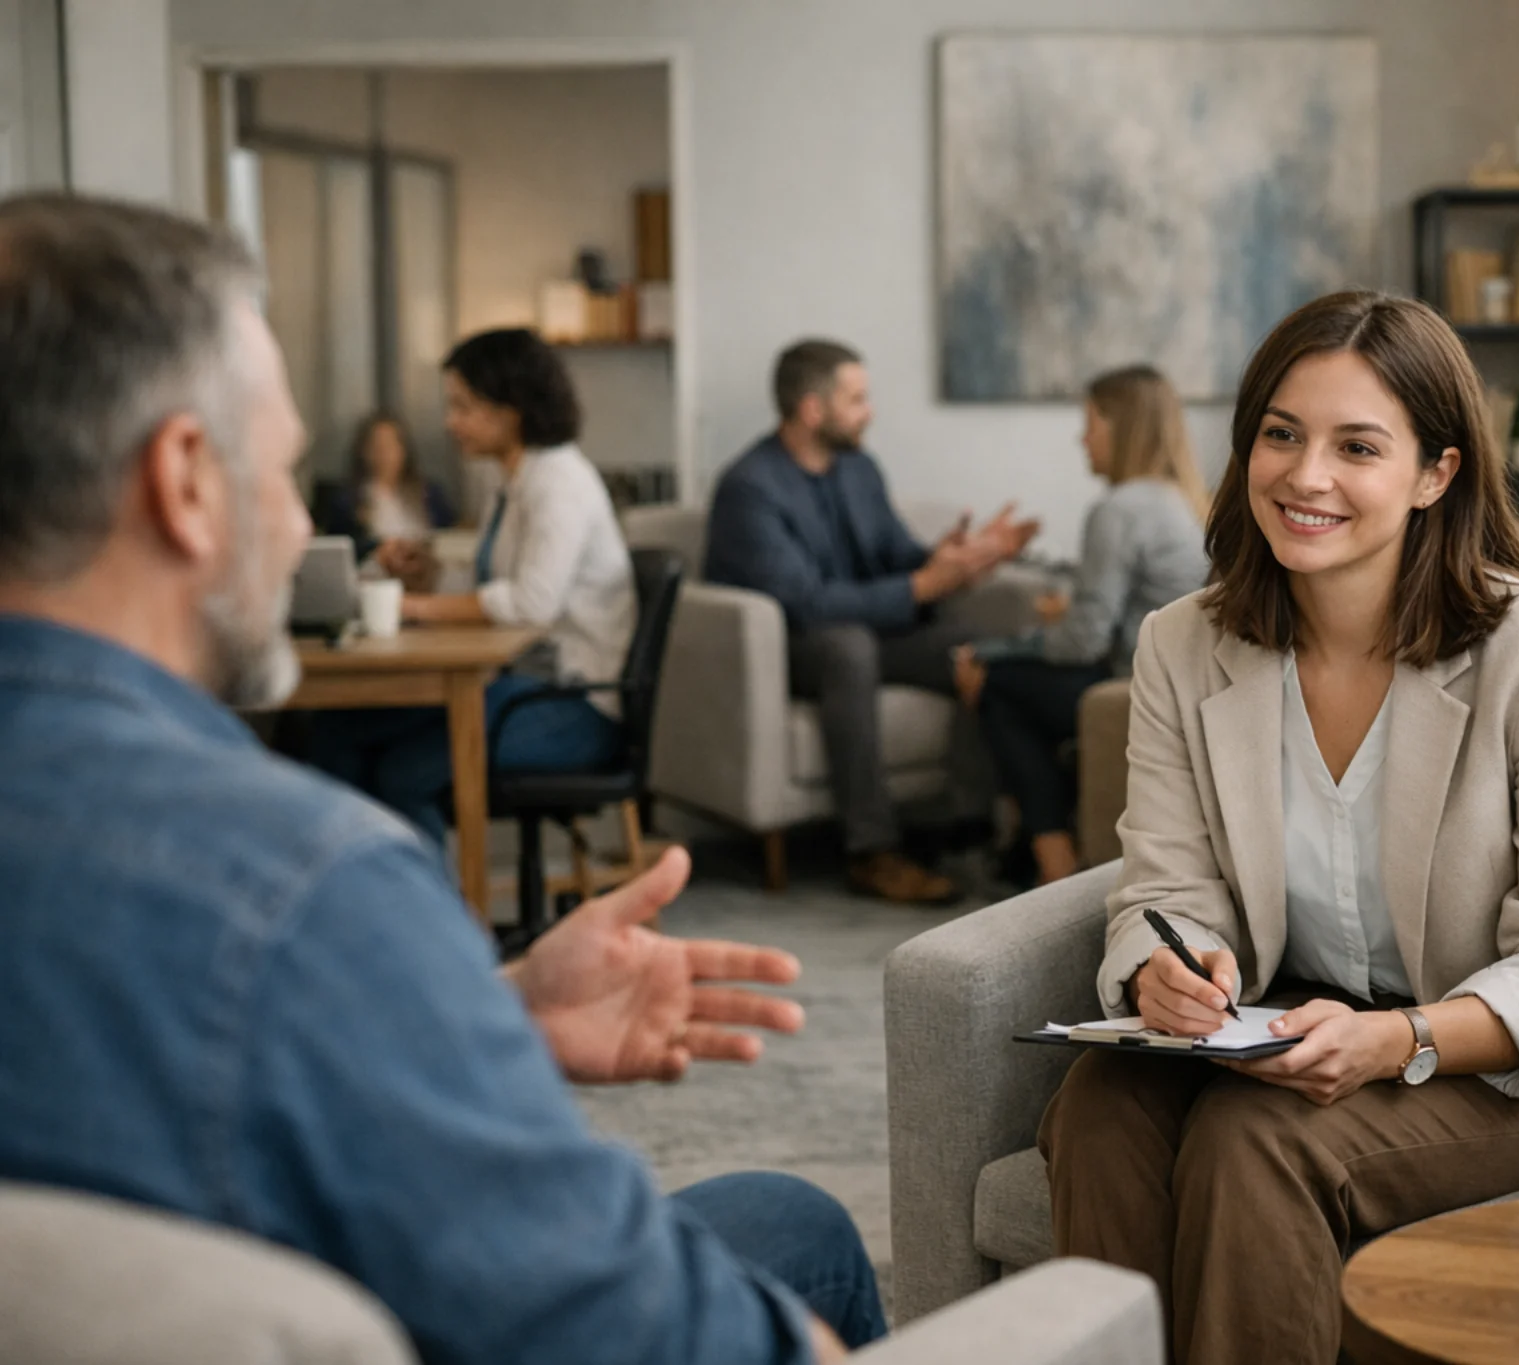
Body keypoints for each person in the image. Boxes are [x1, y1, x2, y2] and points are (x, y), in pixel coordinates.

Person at [0, 194, 880, 1365]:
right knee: (809, 1241)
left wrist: (468, 1013)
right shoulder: (304, 887)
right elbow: (676, 1338)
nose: (292, 521)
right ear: (185, 481)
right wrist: (381, 962)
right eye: (284, 469)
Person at [1035, 291, 1519, 1365]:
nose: (1305, 475)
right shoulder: (1180, 647)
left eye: (1358, 447)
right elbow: (1164, 886)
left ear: (1435, 473)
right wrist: (1170, 967)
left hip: (1500, 1063)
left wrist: (1399, 1039)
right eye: (1281, 434)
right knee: (1099, 1106)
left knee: (1255, 1139)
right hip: (1289, 1018)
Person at [702, 339, 1038, 904]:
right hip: (788, 649)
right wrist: (922, 585)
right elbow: (805, 604)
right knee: (847, 647)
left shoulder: (859, 468)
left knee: (979, 648)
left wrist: (952, 560)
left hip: (868, 635)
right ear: (813, 409)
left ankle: (975, 829)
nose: (870, 411)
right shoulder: (749, 488)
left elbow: (895, 556)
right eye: (857, 399)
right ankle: (871, 851)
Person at [306, 328, 637, 847]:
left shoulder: (559, 484)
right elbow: (490, 583)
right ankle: (360, 882)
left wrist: (414, 608)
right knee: (337, 732)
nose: (450, 422)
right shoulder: (511, 481)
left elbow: (532, 602)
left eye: (463, 406)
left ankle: (426, 898)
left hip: (574, 703)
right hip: (519, 684)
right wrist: (427, 575)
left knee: (402, 773)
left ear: (511, 409)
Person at [951, 365, 1210, 886]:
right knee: (1017, 685)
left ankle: (1053, 862)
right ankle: (1030, 848)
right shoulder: (1184, 499)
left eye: (1090, 423)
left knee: (998, 686)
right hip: (1179, 676)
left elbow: (1083, 642)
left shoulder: (1118, 509)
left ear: (1121, 428)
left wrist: (986, 652)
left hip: (1131, 681)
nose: (1082, 438)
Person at [313, 410, 456, 580]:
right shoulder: (346, 501)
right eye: (376, 445)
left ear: (404, 449)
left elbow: (450, 538)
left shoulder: (430, 494)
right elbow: (338, 554)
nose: (384, 453)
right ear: (363, 450)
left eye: (391, 444)